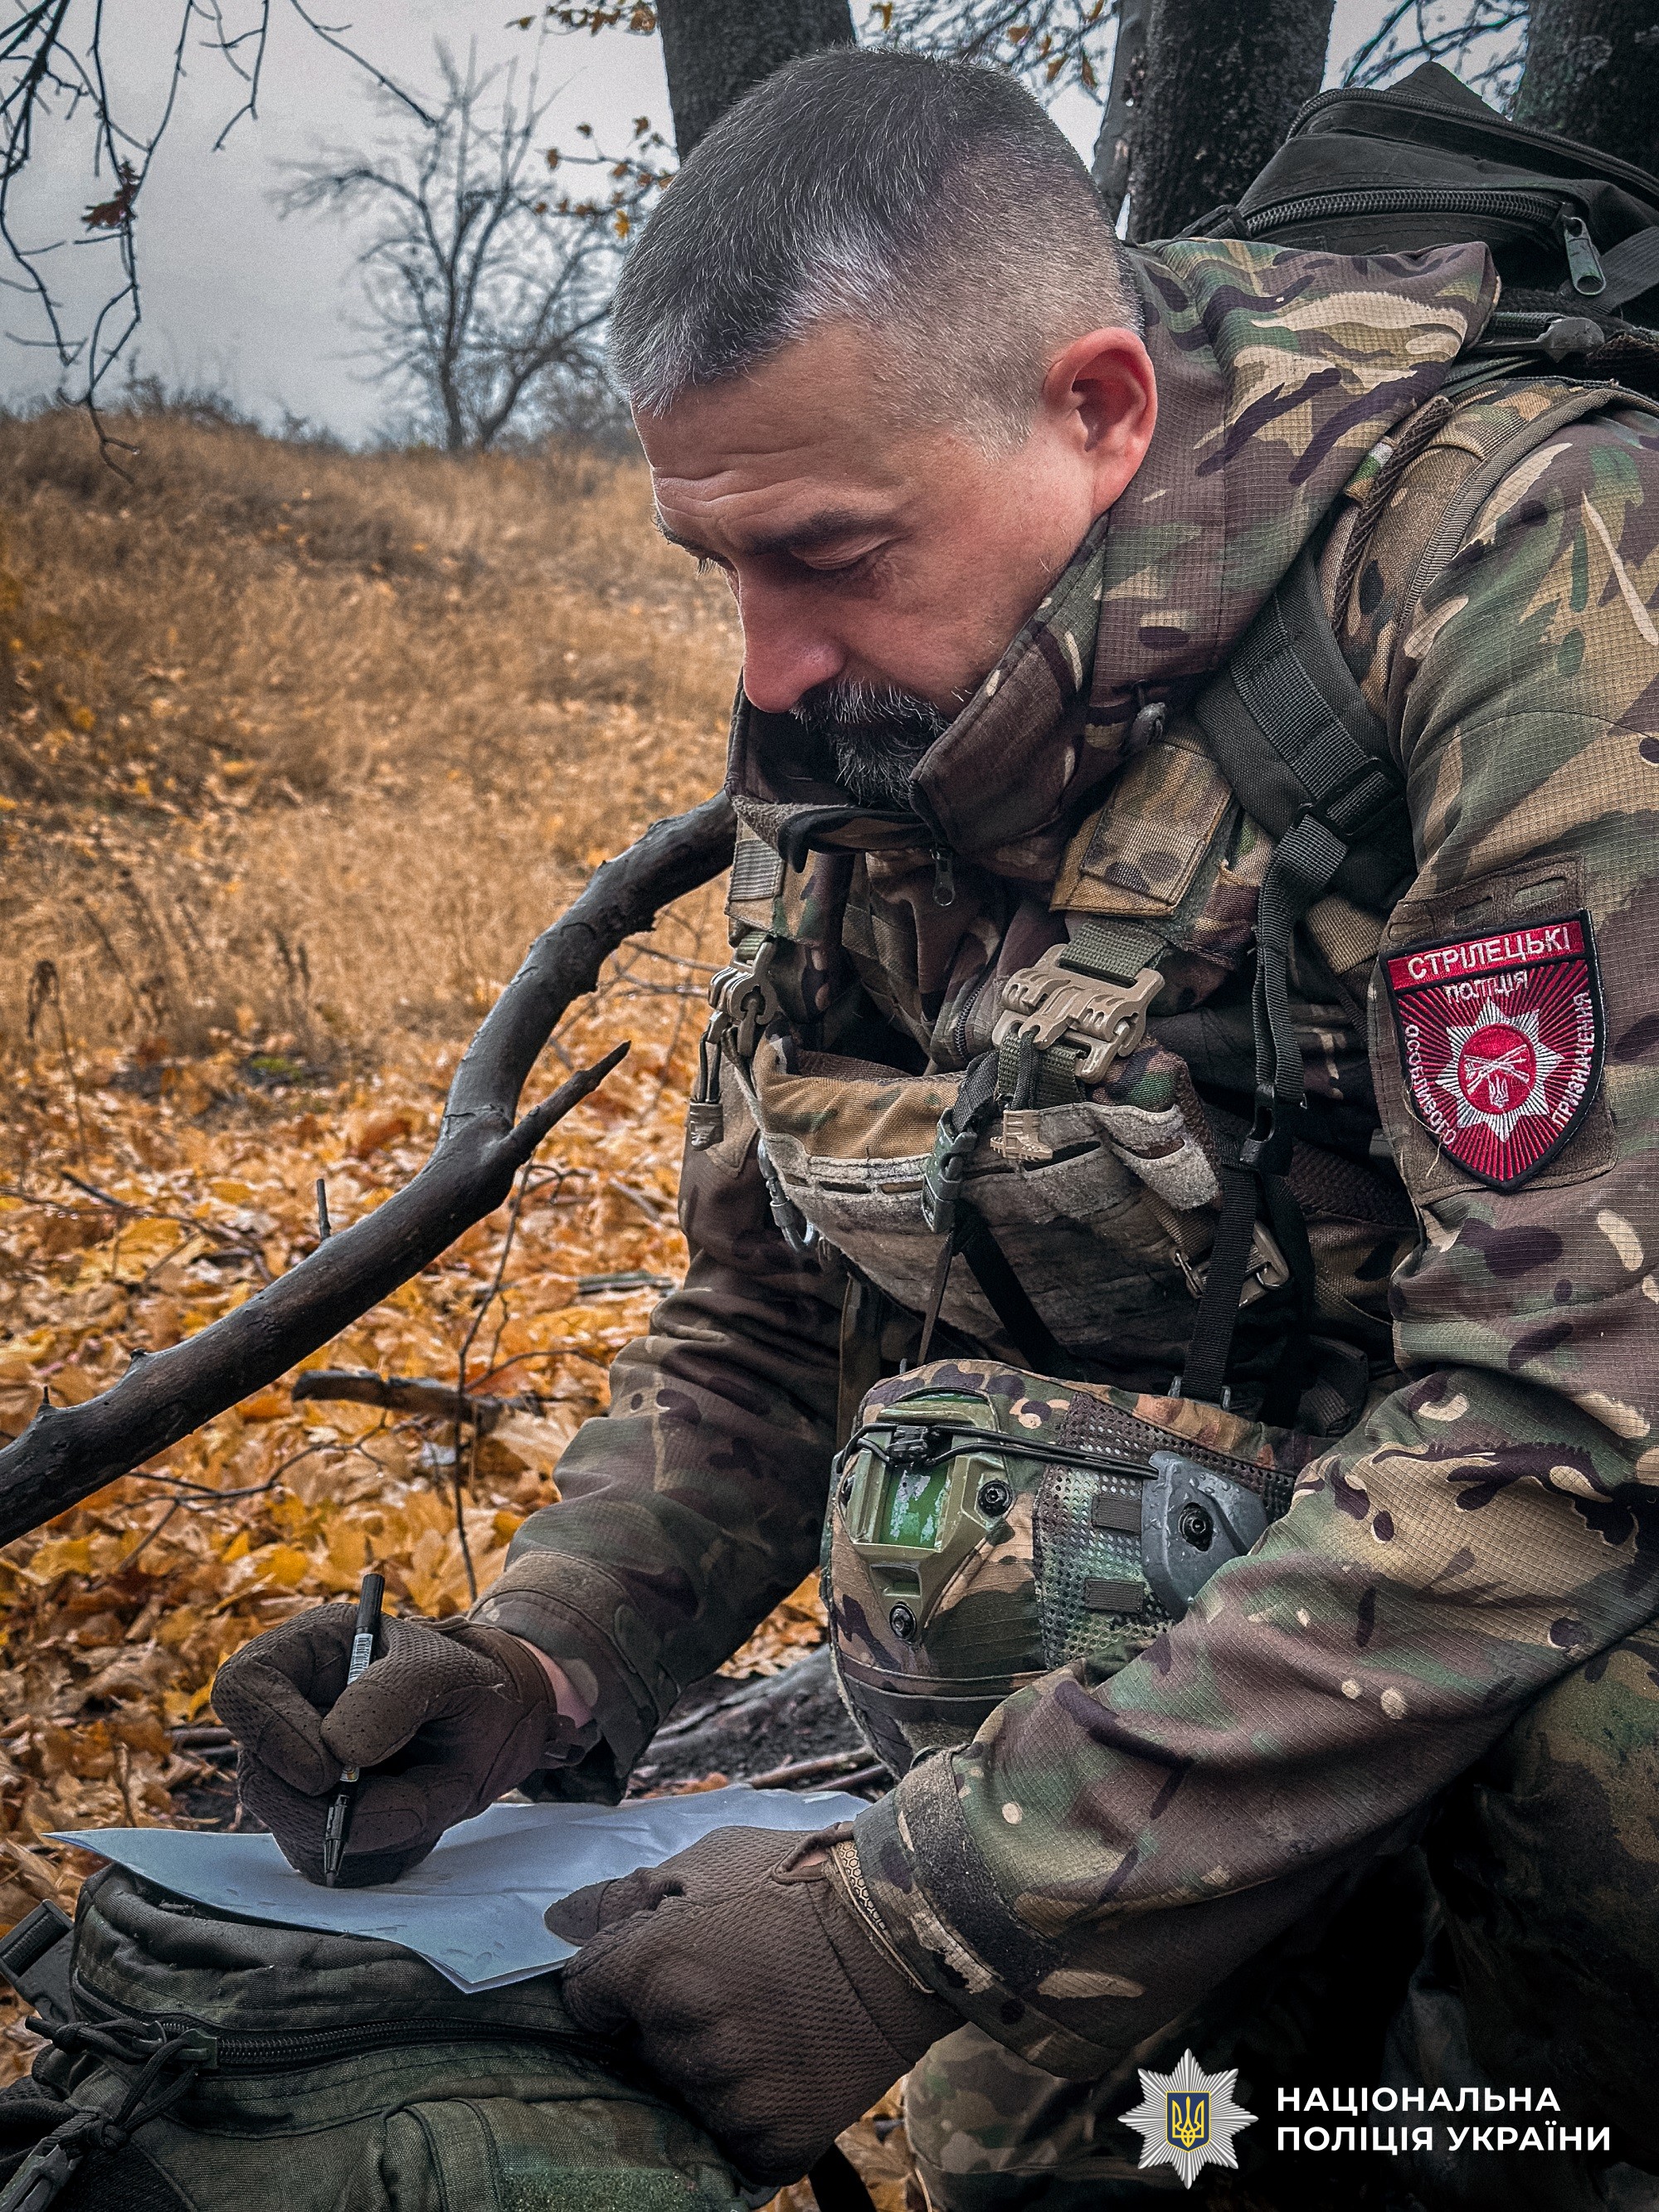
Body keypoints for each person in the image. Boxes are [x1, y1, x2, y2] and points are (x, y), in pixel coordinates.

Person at [214, 48, 1659, 2208]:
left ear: (1098, 406)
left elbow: (1574, 1426)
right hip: (1173, 1733)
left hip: (1541, 1721)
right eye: (713, 561)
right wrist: (545, 1656)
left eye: (820, 556)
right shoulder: (870, 693)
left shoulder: (1533, 572)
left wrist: (909, 1917)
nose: (766, 666)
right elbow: (771, 1318)